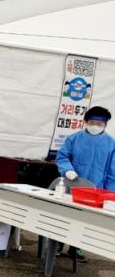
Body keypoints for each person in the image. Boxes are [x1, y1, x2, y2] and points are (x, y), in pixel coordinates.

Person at [56, 106, 115, 261]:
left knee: (86, 219)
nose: (95, 126)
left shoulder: (111, 144)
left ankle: (76, 247)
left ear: (105, 124)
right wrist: (67, 169)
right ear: (85, 122)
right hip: (73, 184)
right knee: (66, 214)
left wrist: (110, 194)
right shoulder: (74, 139)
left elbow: (113, 171)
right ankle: (58, 243)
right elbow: (62, 157)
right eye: (92, 122)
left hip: (96, 189)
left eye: (100, 124)